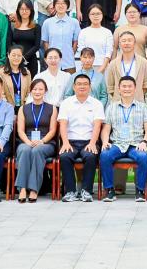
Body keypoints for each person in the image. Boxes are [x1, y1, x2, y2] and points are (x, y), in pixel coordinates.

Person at [99, 76, 147, 202]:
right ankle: (109, 190)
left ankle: (140, 191)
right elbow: (106, 129)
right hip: (117, 144)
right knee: (105, 155)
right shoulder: (111, 107)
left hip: (136, 144)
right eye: (124, 86)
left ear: (135, 89)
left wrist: (144, 142)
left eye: (130, 86)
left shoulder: (143, 107)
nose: (127, 89)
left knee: (143, 157)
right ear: (119, 89)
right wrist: (105, 141)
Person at [58, 73, 106, 202]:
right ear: (74, 87)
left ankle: (86, 191)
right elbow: (63, 124)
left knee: (90, 156)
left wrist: (92, 143)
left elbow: (97, 125)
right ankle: (70, 191)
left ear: (90, 87)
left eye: (85, 84)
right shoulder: (66, 103)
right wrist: (65, 143)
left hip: (89, 141)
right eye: (79, 84)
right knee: (65, 156)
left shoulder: (96, 104)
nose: (82, 87)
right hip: (71, 141)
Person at [14, 78, 59, 202]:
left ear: (45, 91)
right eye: (35, 89)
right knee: (24, 150)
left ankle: (34, 189)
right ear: (30, 91)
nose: (37, 92)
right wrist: (28, 142)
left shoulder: (52, 108)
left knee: (37, 150)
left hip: (46, 142)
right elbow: (20, 131)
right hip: (27, 140)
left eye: (40, 89)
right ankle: (22, 188)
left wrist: (42, 141)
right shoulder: (23, 108)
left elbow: (53, 130)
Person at [107, 30, 147, 103]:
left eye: (129, 40)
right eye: (123, 41)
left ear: (134, 43)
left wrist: (136, 95)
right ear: (119, 44)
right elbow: (111, 87)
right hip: (118, 103)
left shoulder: (143, 62)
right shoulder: (113, 64)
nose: (127, 43)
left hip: (138, 102)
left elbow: (146, 85)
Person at [41, 0, 81, 72]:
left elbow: (76, 41)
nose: (61, 5)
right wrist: (49, 56)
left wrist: (71, 54)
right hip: (53, 62)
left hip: (69, 62)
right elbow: (45, 42)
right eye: (58, 3)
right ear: (54, 5)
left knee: (70, 79)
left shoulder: (74, 22)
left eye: (63, 3)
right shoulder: (47, 23)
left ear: (68, 5)